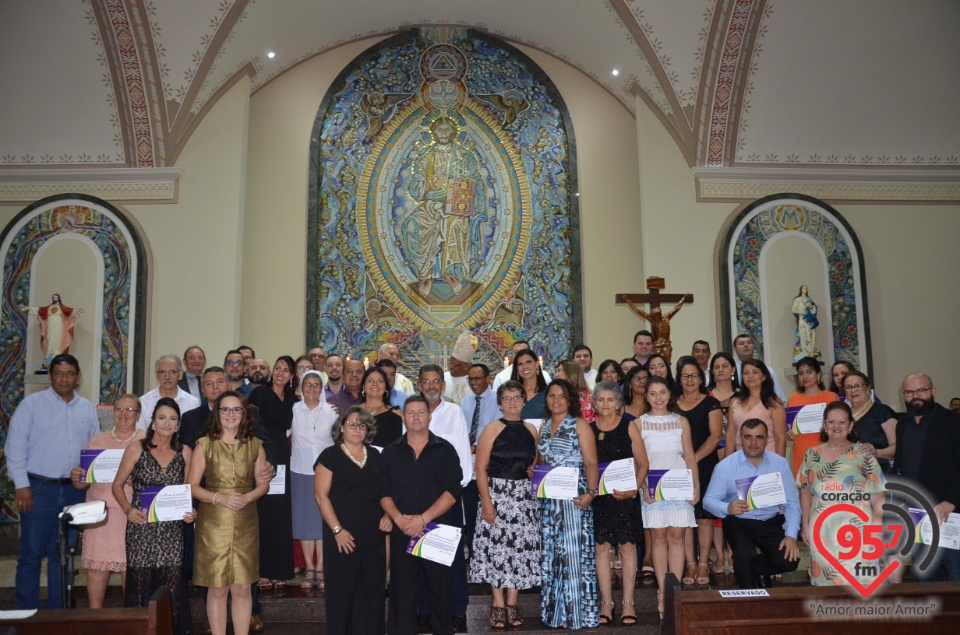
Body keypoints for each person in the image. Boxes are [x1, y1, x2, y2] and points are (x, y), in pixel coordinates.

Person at [6, 353, 99, 609]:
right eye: (59, 373)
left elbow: (93, 449)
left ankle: (59, 613)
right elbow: (14, 447)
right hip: (38, 489)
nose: (64, 378)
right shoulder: (31, 405)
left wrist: (89, 481)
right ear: (50, 376)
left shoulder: (87, 408)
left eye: (70, 373)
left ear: (78, 377)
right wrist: (21, 485)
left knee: (64, 556)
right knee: (32, 553)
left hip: (73, 492)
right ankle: (26, 614)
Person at [188, 392, 270, 635]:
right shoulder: (204, 445)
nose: (231, 414)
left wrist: (247, 497)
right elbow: (191, 486)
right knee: (217, 587)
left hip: (246, 518)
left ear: (244, 414)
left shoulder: (256, 445)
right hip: (213, 519)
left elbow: (263, 484)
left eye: (236, 410)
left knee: (243, 586)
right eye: (225, 409)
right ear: (217, 413)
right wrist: (220, 497)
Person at [380, 396, 463, 635]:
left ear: (429, 416)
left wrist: (423, 519)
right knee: (401, 592)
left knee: (440, 591)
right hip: (402, 529)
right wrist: (399, 519)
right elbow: (383, 492)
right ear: (403, 417)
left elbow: (452, 491)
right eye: (410, 413)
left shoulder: (445, 450)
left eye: (420, 412)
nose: (415, 418)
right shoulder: (390, 451)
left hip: (437, 528)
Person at [113, 398, 196, 634]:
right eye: (162, 417)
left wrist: (191, 512)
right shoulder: (136, 448)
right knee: (139, 585)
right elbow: (117, 485)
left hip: (172, 531)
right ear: (153, 421)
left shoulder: (185, 452)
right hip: (141, 528)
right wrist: (128, 509)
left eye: (172, 419)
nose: (167, 423)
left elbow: (188, 490)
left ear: (178, 423)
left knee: (172, 586)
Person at [470, 381, 540, 629]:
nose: (512, 402)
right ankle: (498, 603)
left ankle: (513, 602)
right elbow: (479, 468)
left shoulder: (532, 429)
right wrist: (487, 502)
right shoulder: (491, 429)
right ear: (500, 404)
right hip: (496, 494)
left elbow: (535, 461)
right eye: (507, 398)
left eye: (516, 397)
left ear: (523, 401)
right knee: (496, 550)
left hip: (524, 497)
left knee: (519, 550)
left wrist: (534, 470)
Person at [315, 406, 391, 634]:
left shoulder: (377, 455)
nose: (358, 429)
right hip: (342, 536)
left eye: (363, 425)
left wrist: (388, 515)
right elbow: (320, 496)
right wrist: (338, 531)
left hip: (373, 536)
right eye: (352, 424)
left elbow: (386, 493)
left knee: (372, 592)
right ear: (341, 427)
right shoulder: (330, 456)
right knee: (342, 595)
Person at [703, 418, 801, 589]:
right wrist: (728, 507)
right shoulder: (725, 466)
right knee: (744, 557)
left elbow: (792, 503)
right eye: (748, 437)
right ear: (740, 439)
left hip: (771, 521)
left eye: (759, 437)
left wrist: (791, 536)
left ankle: (760, 570)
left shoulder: (780, 464)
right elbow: (707, 501)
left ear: (767, 438)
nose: (753, 443)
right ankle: (748, 602)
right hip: (739, 521)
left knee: (789, 560)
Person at [69, 393, 145, 608]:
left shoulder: (146, 440)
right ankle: (95, 623)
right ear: (113, 412)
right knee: (96, 572)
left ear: (138, 415)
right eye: (119, 409)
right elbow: (83, 483)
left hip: (131, 516)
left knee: (129, 574)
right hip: (100, 517)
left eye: (130, 410)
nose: (123, 414)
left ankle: (132, 626)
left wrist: (133, 476)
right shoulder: (98, 440)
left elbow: (155, 478)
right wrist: (77, 478)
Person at [797, 401, 885, 586]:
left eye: (842, 422)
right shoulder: (811, 454)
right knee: (824, 585)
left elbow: (878, 498)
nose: (836, 427)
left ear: (851, 425)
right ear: (824, 425)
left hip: (857, 532)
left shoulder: (864, 455)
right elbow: (805, 492)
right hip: (821, 531)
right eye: (831, 422)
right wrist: (805, 524)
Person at [538, 379, 600, 629]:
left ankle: (577, 614)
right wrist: (536, 470)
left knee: (573, 558)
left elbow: (591, 463)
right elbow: (541, 460)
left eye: (562, 396)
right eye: (552, 395)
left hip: (575, 499)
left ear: (570, 400)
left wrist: (591, 493)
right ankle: (556, 614)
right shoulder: (544, 426)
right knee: (553, 557)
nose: (556, 400)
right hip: (550, 502)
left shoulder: (580, 425)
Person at [416, 365, 472, 630]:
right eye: (426, 382)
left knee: (452, 559)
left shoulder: (454, 413)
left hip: (449, 499)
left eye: (436, 381)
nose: (431, 386)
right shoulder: (412, 413)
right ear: (419, 384)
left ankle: (457, 611)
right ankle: (425, 610)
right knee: (422, 557)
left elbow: (464, 461)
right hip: (418, 502)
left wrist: (449, 494)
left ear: (443, 385)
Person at [405, 116, 485, 296]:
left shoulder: (465, 156)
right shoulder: (425, 156)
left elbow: (475, 181)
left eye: (447, 130)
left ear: (454, 132)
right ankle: (427, 274)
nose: (443, 133)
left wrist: (454, 191)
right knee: (411, 226)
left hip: (456, 206)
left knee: (454, 225)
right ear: (432, 132)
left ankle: (450, 273)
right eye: (439, 130)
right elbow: (416, 184)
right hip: (430, 205)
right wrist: (427, 193)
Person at [640, 376, 698, 618]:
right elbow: (638, 461)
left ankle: (676, 594)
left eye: (662, 392)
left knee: (677, 537)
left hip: (678, 486)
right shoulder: (638, 424)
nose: (658, 397)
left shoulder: (681, 421)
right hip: (653, 489)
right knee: (659, 539)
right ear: (646, 396)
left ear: (669, 394)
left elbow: (690, 456)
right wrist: (643, 486)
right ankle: (663, 593)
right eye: (653, 393)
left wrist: (696, 486)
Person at [893, 373, 960, 581]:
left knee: (957, 573)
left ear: (933, 391)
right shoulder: (902, 424)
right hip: (918, 515)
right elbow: (901, 466)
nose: (916, 396)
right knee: (927, 577)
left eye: (921, 390)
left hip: (949, 513)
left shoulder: (953, 421)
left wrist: (951, 501)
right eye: (910, 392)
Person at [590, 381, 646, 625]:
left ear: (618, 403)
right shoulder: (588, 429)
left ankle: (628, 601)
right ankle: (606, 601)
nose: (605, 404)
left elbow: (643, 464)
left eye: (610, 400)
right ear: (594, 403)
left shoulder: (629, 426)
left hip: (625, 497)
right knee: (601, 548)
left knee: (627, 547)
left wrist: (633, 490)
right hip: (599, 498)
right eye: (600, 400)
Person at [247, 356, 297, 589]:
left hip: (284, 459)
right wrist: (263, 457)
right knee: (263, 514)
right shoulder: (260, 394)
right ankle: (262, 570)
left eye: (285, 370)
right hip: (263, 457)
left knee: (280, 516)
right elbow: (253, 426)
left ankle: (280, 570)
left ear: (291, 376)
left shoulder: (291, 399)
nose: (279, 373)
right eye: (277, 368)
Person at [675, 357, 723, 587]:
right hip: (678, 469)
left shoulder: (710, 403)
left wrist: (693, 458)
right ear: (679, 378)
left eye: (694, 375)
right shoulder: (672, 404)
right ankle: (690, 563)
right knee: (685, 516)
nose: (690, 380)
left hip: (704, 465)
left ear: (701, 377)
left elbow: (715, 437)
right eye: (685, 375)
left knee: (704, 518)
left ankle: (703, 562)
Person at [291, 370, 336, 589]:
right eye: (307, 384)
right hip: (299, 471)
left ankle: (322, 566)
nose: (311, 388)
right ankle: (309, 567)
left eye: (316, 384)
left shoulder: (332, 411)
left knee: (323, 520)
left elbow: (339, 441)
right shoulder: (293, 410)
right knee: (304, 521)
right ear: (301, 387)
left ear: (321, 388)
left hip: (325, 472)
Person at [461, 363, 502, 554]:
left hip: (489, 465)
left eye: (478, 378)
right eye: (470, 379)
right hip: (468, 466)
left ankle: (489, 552)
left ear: (488, 378)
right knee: (470, 511)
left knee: (489, 513)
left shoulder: (497, 400)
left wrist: (476, 447)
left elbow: (497, 433)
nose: (474, 382)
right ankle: (474, 552)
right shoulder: (465, 402)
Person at [706, 351, 739, 574]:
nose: (721, 370)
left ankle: (735, 552)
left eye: (725, 366)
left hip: (740, 457)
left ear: (733, 370)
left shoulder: (742, 396)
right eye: (716, 366)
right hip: (713, 458)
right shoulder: (707, 397)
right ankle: (719, 555)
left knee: (737, 505)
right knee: (717, 508)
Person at [786, 357, 838, 474]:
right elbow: (790, 426)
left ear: (818, 375)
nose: (805, 376)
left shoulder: (830, 397)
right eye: (801, 373)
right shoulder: (794, 398)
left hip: (826, 452)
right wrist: (789, 434)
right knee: (803, 489)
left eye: (809, 372)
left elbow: (837, 427)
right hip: (801, 452)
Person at [725, 359, 785, 459]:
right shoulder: (735, 401)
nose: (750, 376)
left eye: (755, 372)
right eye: (746, 373)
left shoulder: (774, 403)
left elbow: (780, 438)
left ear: (764, 376)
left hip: (767, 459)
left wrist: (780, 466)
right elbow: (731, 435)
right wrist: (726, 464)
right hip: (741, 460)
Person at [842, 371, 896, 472]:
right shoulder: (843, 416)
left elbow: (897, 447)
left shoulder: (882, 411)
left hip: (880, 474)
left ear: (867, 388)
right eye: (848, 387)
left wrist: (877, 453)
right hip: (849, 475)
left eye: (858, 385)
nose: (853, 390)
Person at [137, 354, 200, 430]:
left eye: (172, 372)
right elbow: (140, 434)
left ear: (180, 375)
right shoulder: (144, 402)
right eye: (162, 372)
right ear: (157, 375)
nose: (167, 377)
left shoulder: (193, 403)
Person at [25, 294, 82, 370]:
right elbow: (39, 310)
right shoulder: (49, 308)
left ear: (58, 298)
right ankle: (50, 354)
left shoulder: (61, 308)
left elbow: (70, 311)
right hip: (50, 325)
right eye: (54, 297)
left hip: (58, 325)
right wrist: (29, 308)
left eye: (56, 297)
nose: (55, 298)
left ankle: (57, 353)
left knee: (58, 339)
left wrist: (78, 310)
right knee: (49, 338)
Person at [732, 334, 787, 402]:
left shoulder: (767, 370)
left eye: (749, 343)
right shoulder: (732, 371)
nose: (746, 345)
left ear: (754, 347)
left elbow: (778, 397)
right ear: (734, 349)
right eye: (741, 343)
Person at [362, 366, 403, 448]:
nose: (375, 384)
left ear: (385, 387)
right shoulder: (352, 412)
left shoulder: (396, 414)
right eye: (370, 381)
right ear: (363, 386)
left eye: (379, 381)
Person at [513, 348, 549, 421]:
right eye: (520, 364)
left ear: (536, 364)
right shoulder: (512, 393)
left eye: (528, 362)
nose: (525, 367)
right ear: (516, 369)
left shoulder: (548, 393)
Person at [443, 331, 475, 405]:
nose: (450, 367)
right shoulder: (444, 378)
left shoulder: (475, 383)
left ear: (466, 366)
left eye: (454, 364)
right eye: (450, 362)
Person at [791, 285, 819, 358]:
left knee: (811, 334)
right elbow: (794, 309)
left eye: (806, 288)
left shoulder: (810, 299)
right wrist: (804, 307)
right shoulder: (797, 299)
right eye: (804, 288)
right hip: (802, 319)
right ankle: (804, 351)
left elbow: (814, 309)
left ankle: (811, 351)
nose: (805, 289)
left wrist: (811, 307)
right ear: (801, 289)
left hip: (810, 320)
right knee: (803, 334)